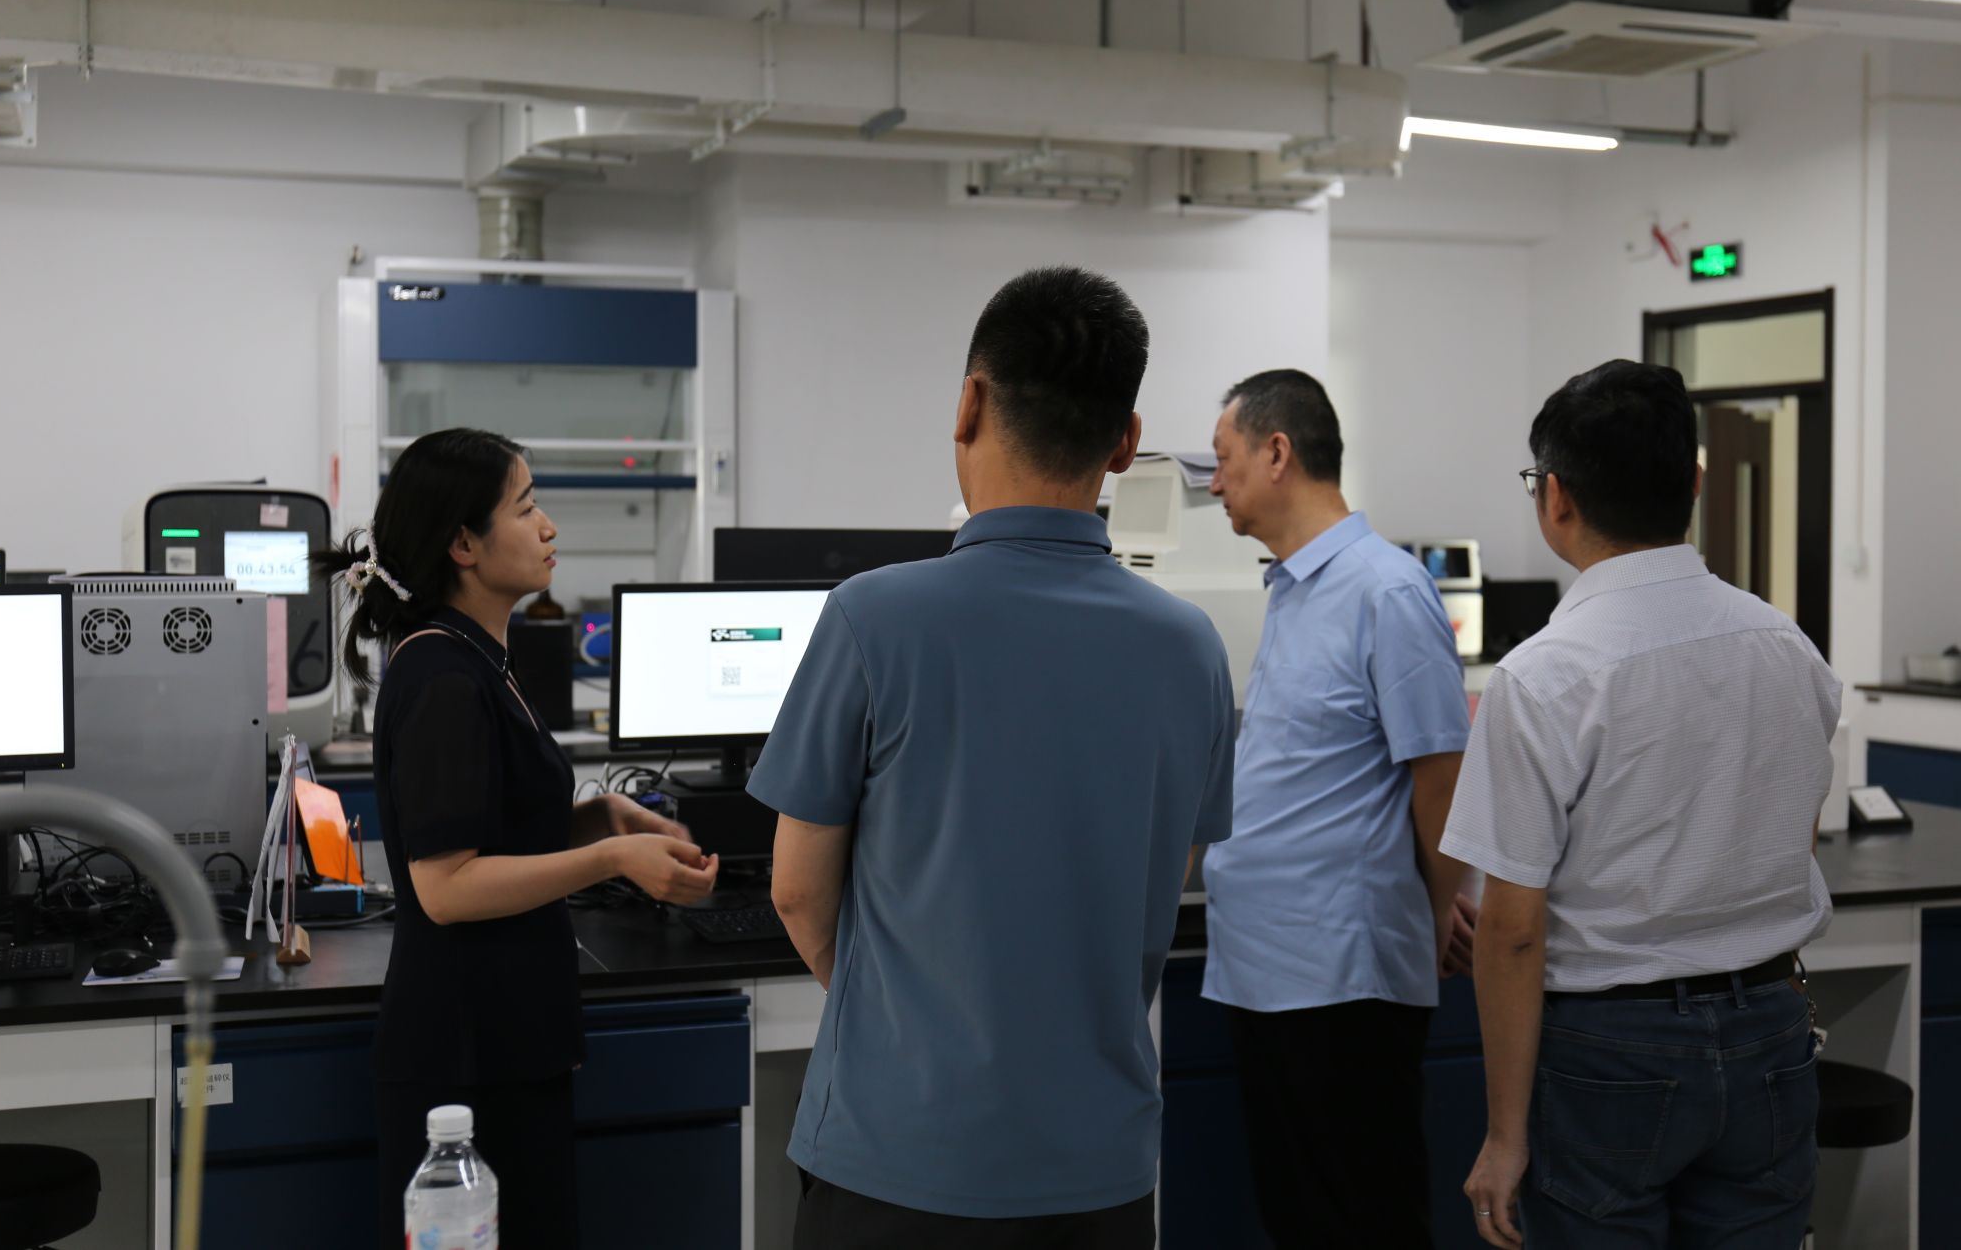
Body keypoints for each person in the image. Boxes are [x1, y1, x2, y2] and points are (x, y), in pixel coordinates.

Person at [747, 267, 1235, 1249]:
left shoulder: (874, 617)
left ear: (969, 403)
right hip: (1095, 1174)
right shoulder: (1191, 647)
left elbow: (796, 891)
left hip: (900, 1157)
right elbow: (1168, 871)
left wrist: (896, 1018)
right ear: (1126, 442)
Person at [1443, 360, 1839, 1250]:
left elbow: (1512, 929)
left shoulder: (1543, 675)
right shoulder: (1788, 646)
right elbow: (1796, 833)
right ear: (1694, 484)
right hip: (1771, 1030)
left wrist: (1505, 1136)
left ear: (1555, 498)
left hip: (1611, 1054)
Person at [318, 428, 721, 1250]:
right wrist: (611, 857)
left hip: (503, 1041)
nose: (548, 526)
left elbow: (496, 828)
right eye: (526, 506)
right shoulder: (442, 677)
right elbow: (446, 886)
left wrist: (603, 816)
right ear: (463, 543)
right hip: (462, 1063)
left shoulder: (479, 658)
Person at [1200, 368, 1477, 1248]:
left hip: (1341, 980)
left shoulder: (1385, 590)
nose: (1215, 481)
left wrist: (1433, 908)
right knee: (1300, 1220)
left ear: (1277, 452)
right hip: (1268, 968)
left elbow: (1441, 775)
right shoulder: (1294, 589)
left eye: (1224, 457)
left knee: (1360, 1221)